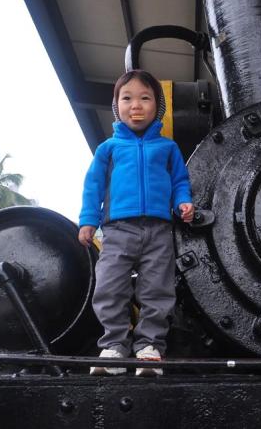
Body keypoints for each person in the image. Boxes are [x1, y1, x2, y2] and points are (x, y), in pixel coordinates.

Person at [78, 69, 194, 376]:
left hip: (159, 230)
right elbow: (93, 186)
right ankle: (114, 346)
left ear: (158, 106)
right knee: (109, 286)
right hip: (117, 230)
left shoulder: (168, 148)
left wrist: (183, 201)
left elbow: (180, 181)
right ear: (117, 106)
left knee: (158, 289)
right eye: (127, 98)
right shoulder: (108, 148)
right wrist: (88, 221)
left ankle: (150, 347)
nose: (136, 105)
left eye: (145, 98)